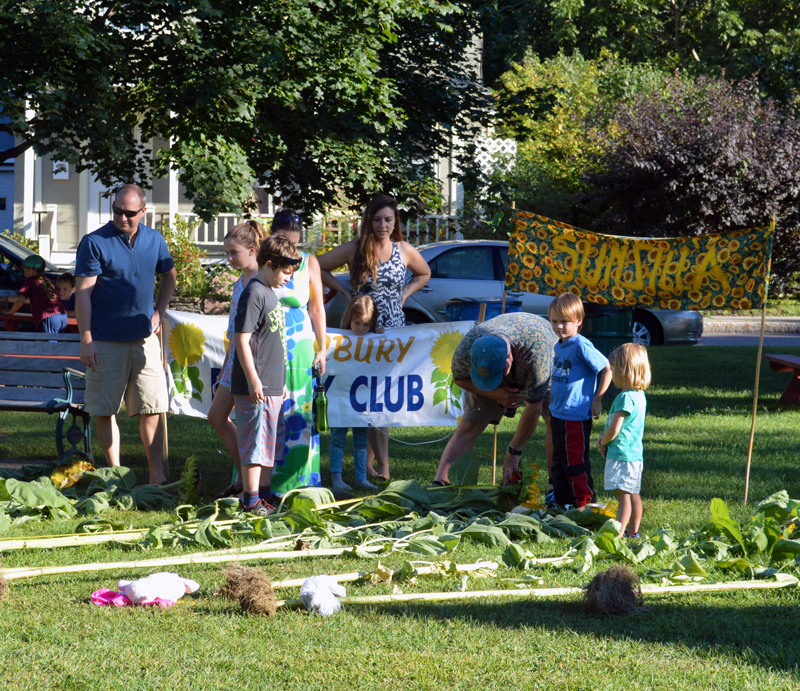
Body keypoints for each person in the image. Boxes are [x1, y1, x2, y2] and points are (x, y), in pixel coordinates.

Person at [318, 195, 431, 480]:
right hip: (363, 329)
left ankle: (379, 466)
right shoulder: (357, 249)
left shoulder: (403, 249)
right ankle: (369, 466)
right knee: (363, 394)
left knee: (382, 398)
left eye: (389, 220)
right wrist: (345, 292)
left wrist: (403, 295)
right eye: (378, 219)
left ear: (395, 223)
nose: (383, 225)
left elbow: (424, 273)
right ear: (369, 220)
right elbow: (316, 266)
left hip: (392, 328)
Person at [74, 184, 176, 486]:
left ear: (143, 212)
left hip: (144, 339)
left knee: (152, 407)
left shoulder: (155, 239)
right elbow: (83, 293)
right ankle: (115, 475)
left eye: (129, 213)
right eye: (117, 210)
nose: (122, 217)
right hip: (104, 340)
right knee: (105, 410)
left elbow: (169, 276)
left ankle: (157, 476)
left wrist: (160, 310)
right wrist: (86, 338)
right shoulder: (94, 242)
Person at [433, 312, 557, 487]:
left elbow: (533, 410)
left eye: (498, 375)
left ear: (509, 357)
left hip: (545, 355)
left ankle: (555, 487)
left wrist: (512, 453)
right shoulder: (468, 348)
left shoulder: (536, 355)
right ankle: (440, 484)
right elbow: (459, 378)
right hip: (511, 356)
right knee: (469, 425)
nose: (494, 382)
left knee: (555, 422)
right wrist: (494, 393)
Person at [231, 234, 300, 516]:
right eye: (285, 271)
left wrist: (279, 381)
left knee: (269, 443)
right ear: (269, 264)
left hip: (272, 385)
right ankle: (250, 500)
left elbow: (274, 342)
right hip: (254, 386)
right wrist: (253, 379)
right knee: (254, 444)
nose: (288, 278)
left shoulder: (270, 291)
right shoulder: (255, 292)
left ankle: (265, 495)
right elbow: (242, 339)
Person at [268, 209, 328, 495]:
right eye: (284, 243)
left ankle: (300, 480)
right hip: (269, 343)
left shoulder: (309, 263)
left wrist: (323, 346)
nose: (291, 251)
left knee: (299, 410)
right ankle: (264, 481)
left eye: (294, 244)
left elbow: (316, 307)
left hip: (302, 347)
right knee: (269, 410)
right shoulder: (264, 262)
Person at [209, 220, 267, 500]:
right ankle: (245, 478)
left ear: (253, 250)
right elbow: (234, 333)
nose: (229, 258)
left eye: (234, 253)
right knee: (216, 416)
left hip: (253, 364)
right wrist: (224, 368)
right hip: (234, 362)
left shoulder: (262, 282)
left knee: (250, 429)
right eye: (227, 253)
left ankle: (251, 486)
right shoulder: (238, 284)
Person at [548, 293, 612, 509]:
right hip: (557, 414)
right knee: (559, 463)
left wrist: (598, 400)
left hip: (574, 416)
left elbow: (606, 369)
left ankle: (583, 504)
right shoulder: (559, 345)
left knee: (575, 461)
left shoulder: (580, 344)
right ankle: (561, 502)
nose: (559, 326)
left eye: (564, 322)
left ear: (578, 321)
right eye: (554, 321)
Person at [329, 295, 382, 491]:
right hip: (341, 397)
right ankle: (336, 478)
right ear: (349, 319)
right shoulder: (337, 339)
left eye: (366, 325)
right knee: (337, 438)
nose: (361, 329)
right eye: (357, 323)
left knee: (361, 439)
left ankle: (361, 477)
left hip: (362, 399)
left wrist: (380, 335)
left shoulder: (373, 339)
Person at [597, 343, 650, 537]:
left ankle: (618, 534)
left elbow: (614, 429)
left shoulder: (624, 398)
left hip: (622, 454)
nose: (611, 373)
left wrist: (603, 442)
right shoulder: (639, 396)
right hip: (634, 455)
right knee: (633, 493)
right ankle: (633, 532)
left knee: (623, 496)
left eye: (613, 369)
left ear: (624, 371)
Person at [3, 255, 67, 332]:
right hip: (62, 315)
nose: (23, 274)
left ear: (30, 270)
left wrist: (9, 312)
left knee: (49, 343)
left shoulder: (31, 280)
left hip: (49, 316)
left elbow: (21, 301)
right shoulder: (48, 281)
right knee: (52, 341)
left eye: (24, 270)